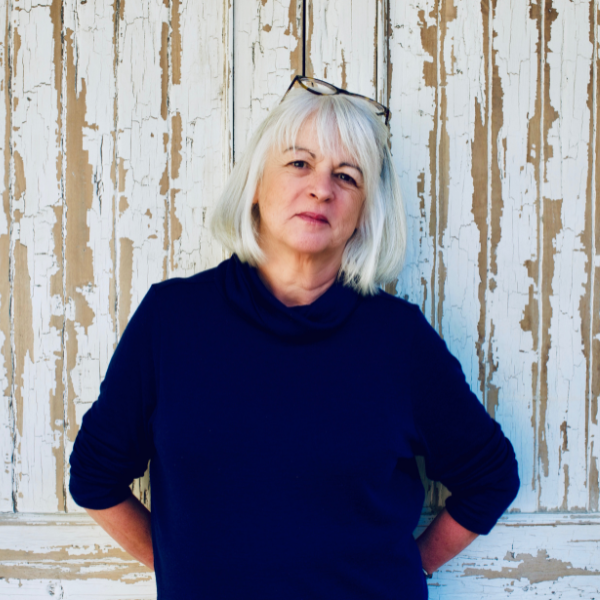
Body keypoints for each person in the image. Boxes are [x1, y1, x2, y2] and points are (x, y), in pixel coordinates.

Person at [69, 76, 520, 599]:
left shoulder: (398, 340)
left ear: (364, 214)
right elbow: (94, 478)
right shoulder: (171, 321)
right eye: (299, 163)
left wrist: (410, 568)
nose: (321, 188)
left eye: (347, 177)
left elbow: (490, 477)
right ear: (256, 186)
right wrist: (185, 568)